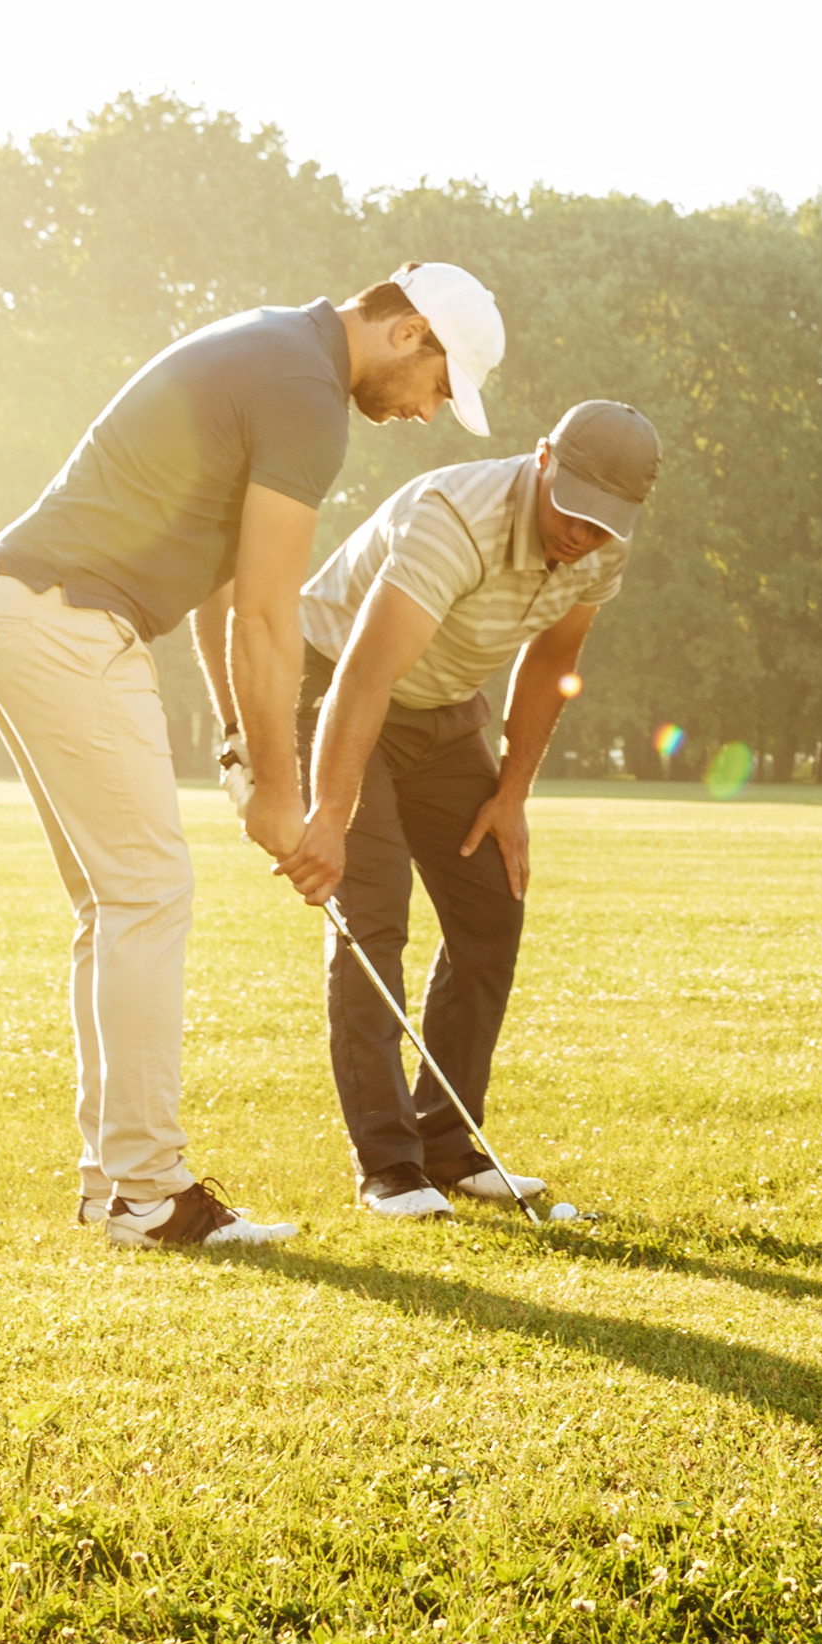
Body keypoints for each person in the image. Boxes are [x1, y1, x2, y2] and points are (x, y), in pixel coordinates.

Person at [0, 268, 503, 1247]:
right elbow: (269, 615)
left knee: (114, 904)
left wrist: (246, 743)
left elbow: (223, 589)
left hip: (14, 607)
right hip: (65, 617)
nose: (428, 414)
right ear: (408, 331)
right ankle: (150, 1192)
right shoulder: (305, 394)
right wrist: (281, 794)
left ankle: (113, 1181)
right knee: (148, 894)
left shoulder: (278, 349)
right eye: (439, 387)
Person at [274, 398, 658, 1215]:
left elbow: (555, 656)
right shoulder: (453, 517)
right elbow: (365, 677)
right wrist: (328, 816)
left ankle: (449, 1145)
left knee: (491, 908)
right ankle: (389, 1167)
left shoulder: (599, 548)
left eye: (604, 524)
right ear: (543, 455)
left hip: (444, 711)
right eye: (574, 509)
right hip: (336, 689)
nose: (581, 535)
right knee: (373, 916)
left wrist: (511, 793)